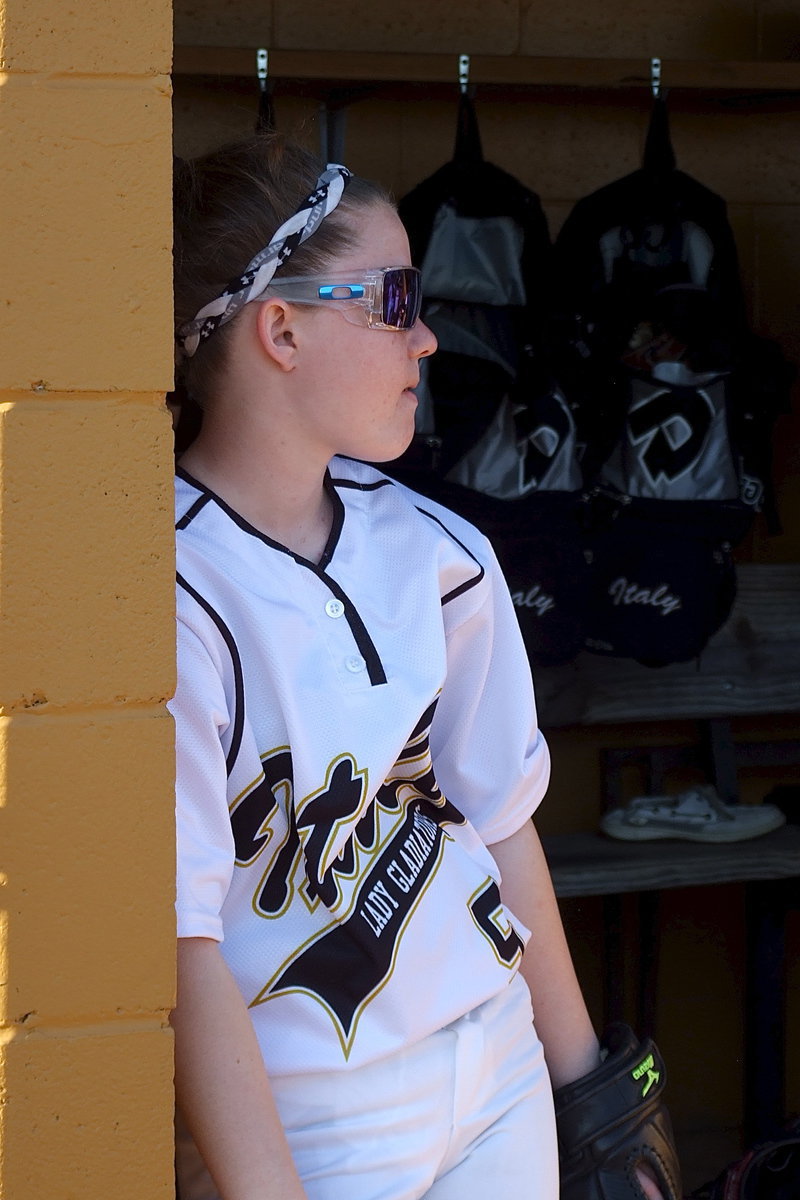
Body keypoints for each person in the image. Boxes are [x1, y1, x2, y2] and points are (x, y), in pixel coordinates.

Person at [168, 133, 671, 1200]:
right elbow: (185, 947)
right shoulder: (167, 596)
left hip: (495, 1069)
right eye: (395, 301)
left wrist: (585, 1094)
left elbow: (498, 822)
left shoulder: (441, 553)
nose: (428, 338)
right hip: (313, 1111)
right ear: (280, 329)